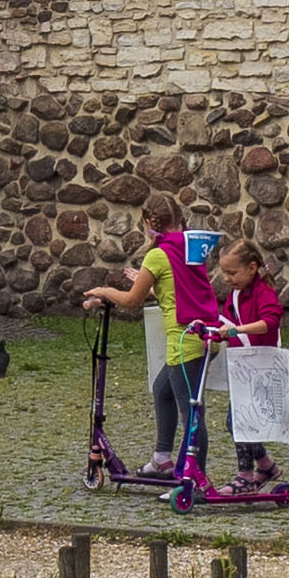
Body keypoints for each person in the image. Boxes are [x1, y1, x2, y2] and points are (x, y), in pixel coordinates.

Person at [81, 189, 207, 468]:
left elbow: (131, 301)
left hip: (184, 339)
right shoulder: (190, 246)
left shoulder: (159, 255)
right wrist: (151, 285)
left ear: (150, 224)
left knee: (192, 415)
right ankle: (162, 459)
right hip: (203, 331)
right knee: (162, 389)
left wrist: (105, 290)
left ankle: (195, 479)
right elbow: (179, 290)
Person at [202, 236, 289, 492]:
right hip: (243, 366)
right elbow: (227, 320)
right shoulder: (236, 294)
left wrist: (236, 330)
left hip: (260, 365)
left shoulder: (264, 292)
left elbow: (270, 321)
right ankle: (265, 465)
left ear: (252, 268)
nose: (228, 278)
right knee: (237, 420)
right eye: (225, 273)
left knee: (241, 420)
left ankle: (246, 475)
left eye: (233, 272)